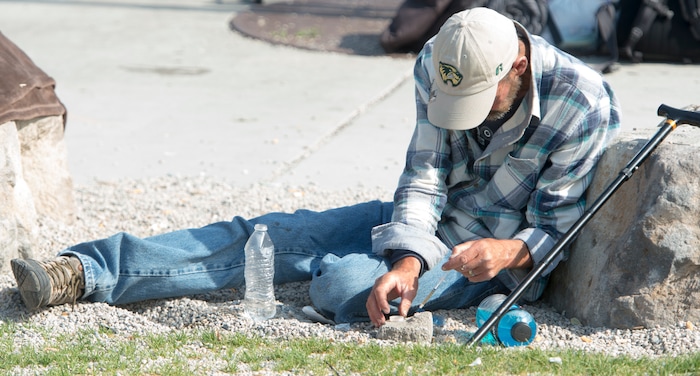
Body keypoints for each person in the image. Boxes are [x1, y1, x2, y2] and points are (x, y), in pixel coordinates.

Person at [11, 8, 620, 328]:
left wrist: (506, 253)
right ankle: (86, 271)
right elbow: (423, 175)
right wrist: (409, 258)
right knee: (265, 237)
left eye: (477, 103)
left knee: (340, 284)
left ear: (515, 70)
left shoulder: (581, 102)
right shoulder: (440, 62)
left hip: (489, 264)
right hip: (418, 228)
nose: (463, 116)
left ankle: (349, 275)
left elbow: (558, 224)